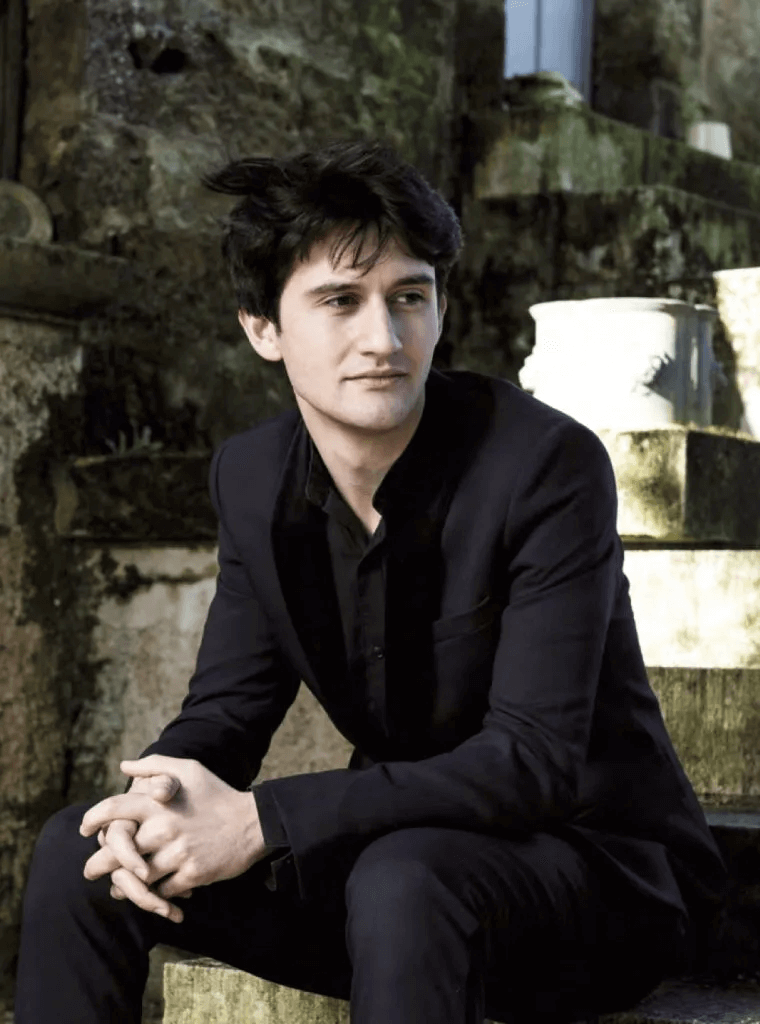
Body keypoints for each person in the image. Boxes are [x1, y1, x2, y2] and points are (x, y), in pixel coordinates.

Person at [15, 138, 727, 1024]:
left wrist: (265, 821)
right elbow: (227, 712)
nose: (384, 339)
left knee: (405, 878)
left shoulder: (546, 466)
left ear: (439, 307)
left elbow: (531, 763)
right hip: (393, 882)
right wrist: (152, 803)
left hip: (595, 879)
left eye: (409, 298)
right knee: (82, 852)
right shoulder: (252, 477)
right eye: (340, 301)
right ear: (262, 328)